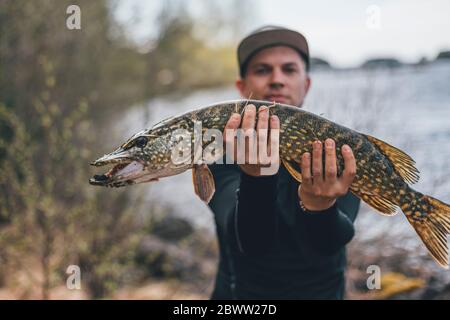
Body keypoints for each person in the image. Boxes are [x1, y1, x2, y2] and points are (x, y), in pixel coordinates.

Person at [207, 26, 361, 299]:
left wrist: (321, 207)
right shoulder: (221, 149)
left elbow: (332, 242)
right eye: (262, 70)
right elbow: (252, 242)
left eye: (289, 70)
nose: (277, 80)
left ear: (307, 84)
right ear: (241, 87)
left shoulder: (335, 149)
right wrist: (257, 177)